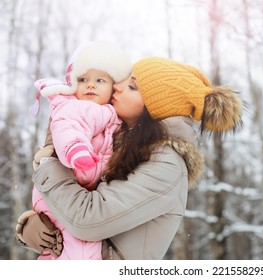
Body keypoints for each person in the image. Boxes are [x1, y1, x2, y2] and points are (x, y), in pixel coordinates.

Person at [16, 57, 243, 259]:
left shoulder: (167, 163)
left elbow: (87, 220)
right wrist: (40, 224)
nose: (118, 86)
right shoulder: (120, 143)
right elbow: (75, 200)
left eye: (132, 86)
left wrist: (48, 163)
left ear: (154, 109)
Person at [21, 41, 132, 260]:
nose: (90, 85)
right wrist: (77, 152)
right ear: (72, 83)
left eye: (99, 80)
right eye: (83, 80)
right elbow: (68, 131)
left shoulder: (116, 118)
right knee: (62, 246)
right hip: (72, 182)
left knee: (76, 249)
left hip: (85, 204)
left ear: (113, 87)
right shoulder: (72, 107)